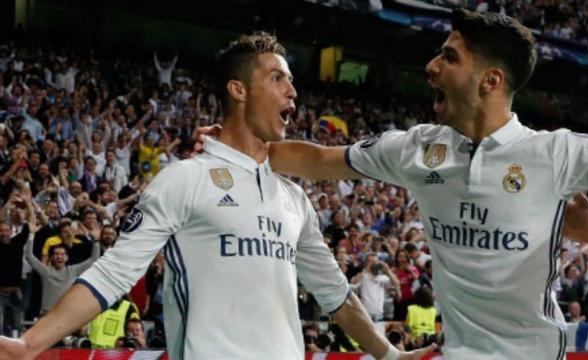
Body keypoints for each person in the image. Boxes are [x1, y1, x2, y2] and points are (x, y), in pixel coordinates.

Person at [0, 32, 432, 360]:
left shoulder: (294, 200)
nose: (293, 91)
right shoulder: (186, 179)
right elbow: (112, 274)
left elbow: (336, 293)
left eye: (292, 80)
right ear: (238, 90)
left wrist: (388, 354)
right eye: (278, 77)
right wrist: (29, 345)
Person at [262, 9, 588, 359]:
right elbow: (317, 159)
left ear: (491, 80)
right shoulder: (417, 147)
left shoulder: (555, 154)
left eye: (450, 57)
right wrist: (238, 143)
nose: (431, 66)